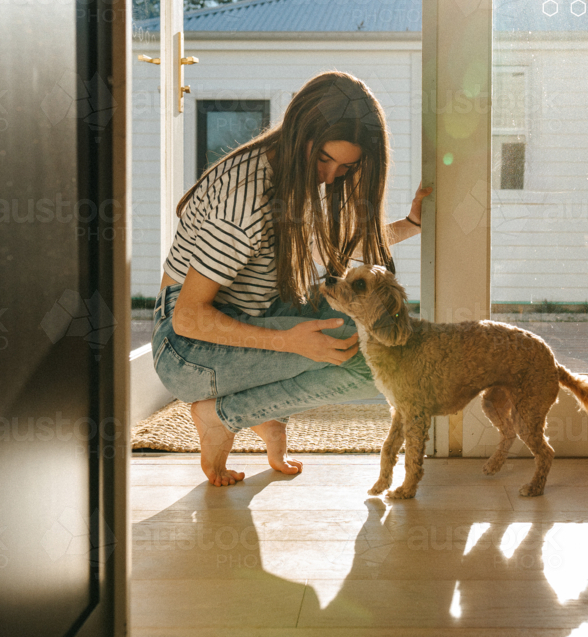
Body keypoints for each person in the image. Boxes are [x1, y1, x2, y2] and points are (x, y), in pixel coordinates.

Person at [151, 71, 431, 486]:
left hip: (245, 316)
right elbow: (188, 318)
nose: (332, 175)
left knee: (375, 327)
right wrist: (290, 341)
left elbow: (331, 249)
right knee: (367, 363)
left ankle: (260, 412)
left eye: (346, 166)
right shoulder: (245, 201)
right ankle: (221, 416)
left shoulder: (284, 169)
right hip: (187, 350)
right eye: (324, 159)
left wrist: (410, 224)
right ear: (301, 131)